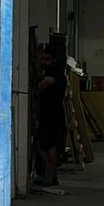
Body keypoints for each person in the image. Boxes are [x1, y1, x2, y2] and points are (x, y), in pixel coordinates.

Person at [35, 45, 67, 187]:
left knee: (49, 144)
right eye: (42, 59)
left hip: (51, 115)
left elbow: (41, 87)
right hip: (47, 114)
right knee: (42, 143)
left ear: (54, 60)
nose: (44, 62)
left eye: (47, 59)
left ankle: (52, 173)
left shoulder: (54, 74)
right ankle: (49, 171)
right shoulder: (49, 72)